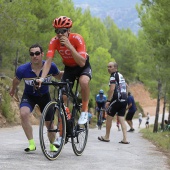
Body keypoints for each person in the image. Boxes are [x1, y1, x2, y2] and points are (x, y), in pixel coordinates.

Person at [37, 16, 92, 125]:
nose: (60, 34)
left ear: (69, 31)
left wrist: (69, 46)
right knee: (62, 97)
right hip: (69, 68)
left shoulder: (77, 38)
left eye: (63, 31)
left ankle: (84, 110)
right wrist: (41, 78)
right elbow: (48, 62)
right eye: (57, 31)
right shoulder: (54, 41)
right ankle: (64, 126)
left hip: (82, 67)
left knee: (84, 82)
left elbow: (82, 62)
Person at [9, 43, 63, 152]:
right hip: (29, 96)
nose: (35, 56)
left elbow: (58, 76)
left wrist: (73, 73)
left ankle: (52, 145)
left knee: (50, 124)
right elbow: (16, 81)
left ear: (42, 54)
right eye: (32, 54)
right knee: (23, 113)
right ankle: (31, 144)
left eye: (37, 53)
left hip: (45, 97)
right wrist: (13, 90)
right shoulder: (23, 69)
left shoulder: (50, 66)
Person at [98, 62, 129, 144]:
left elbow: (112, 89)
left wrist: (108, 101)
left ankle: (106, 137)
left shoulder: (113, 76)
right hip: (124, 99)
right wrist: (126, 96)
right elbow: (126, 86)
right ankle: (125, 139)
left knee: (109, 117)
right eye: (108, 67)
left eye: (110, 67)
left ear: (115, 67)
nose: (108, 68)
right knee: (121, 118)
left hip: (116, 99)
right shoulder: (120, 75)